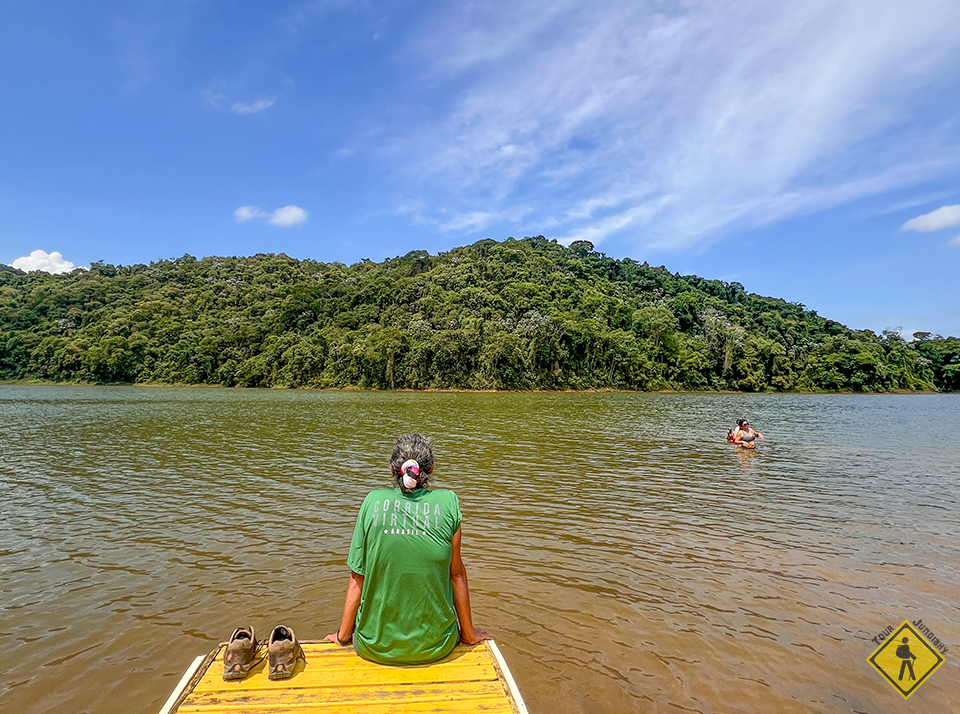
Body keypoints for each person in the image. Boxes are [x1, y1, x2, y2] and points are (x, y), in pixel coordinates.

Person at [325, 434, 489, 665]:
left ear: (393, 470)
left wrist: (343, 637)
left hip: (374, 647)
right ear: (430, 469)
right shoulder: (448, 502)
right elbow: (456, 575)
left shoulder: (372, 502)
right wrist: (469, 634)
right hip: (436, 646)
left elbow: (357, 577)